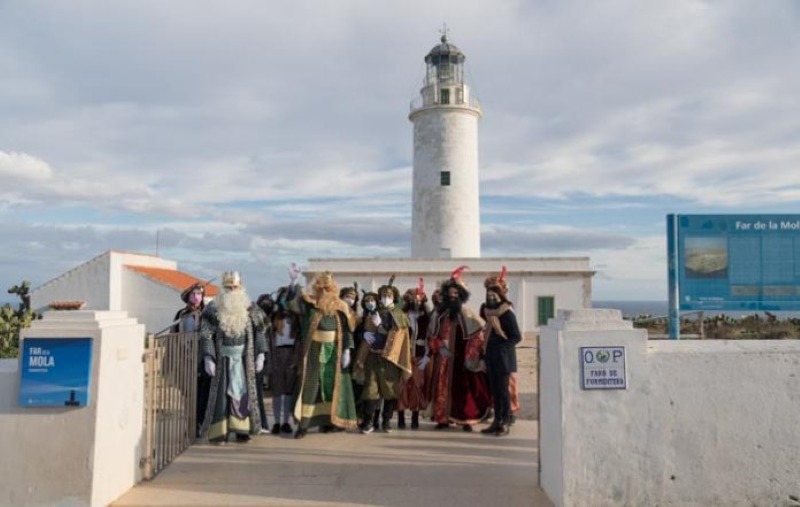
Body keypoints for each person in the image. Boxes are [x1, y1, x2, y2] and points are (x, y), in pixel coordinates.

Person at [286, 267, 358, 438]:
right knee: (311, 386)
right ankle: (304, 425)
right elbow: (292, 305)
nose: (325, 291)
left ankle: (329, 422)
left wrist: (347, 350)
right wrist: (294, 284)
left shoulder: (340, 306)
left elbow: (347, 330)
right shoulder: (309, 304)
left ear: (333, 288)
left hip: (334, 352)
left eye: (328, 288)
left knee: (331, 387)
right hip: (313, 351)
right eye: (321, 288)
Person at [199, 271, 268, 444]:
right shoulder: (213, 308)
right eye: (228, 287)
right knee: (222, 397)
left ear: (240, 288)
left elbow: (261, 330)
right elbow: (206, 334)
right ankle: (220, 432)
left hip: (244, 360)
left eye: (234, 287)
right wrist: (208, 357)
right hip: (222, 359)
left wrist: (260, 355)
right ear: (223, 288)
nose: (231, 291)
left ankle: (242, 431)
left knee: (243, 395)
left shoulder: (251, 307)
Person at [426, 266, 491, 432]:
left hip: (462, 361)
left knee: (464, 390)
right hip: (443, 360)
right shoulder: (439, 314)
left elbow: (478, 336)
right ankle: (443, 419)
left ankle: (466, 420)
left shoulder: (468, 314)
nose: (452, 296)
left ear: (461, 295)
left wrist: (470, 355)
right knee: (442, 390)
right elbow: (431, 335)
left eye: (456, 293)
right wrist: (438, 346)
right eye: (450, 292)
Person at [355, 277, 412, 434]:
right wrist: (364, 336)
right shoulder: (373, 314)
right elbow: (365, 333)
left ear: (394, 297)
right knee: (370, 391)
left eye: (389, 296)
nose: (385, 298)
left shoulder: (400, 315)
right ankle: (368, 422)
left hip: (390, 359)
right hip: (372, 357)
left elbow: (397, 337)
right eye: (383, 296)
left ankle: (386, 421)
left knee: (389, 391)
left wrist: (380, 326)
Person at [479, 267, 522, 436]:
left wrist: (502, 347)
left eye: (494, 296)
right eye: (489, 296)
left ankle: (505, 421)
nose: (491, 299)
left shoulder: (506, 313)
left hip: (504, 360)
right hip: (491, 359)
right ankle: (496, 421)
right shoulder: (489, 314)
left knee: (504, 392)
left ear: (500, 296)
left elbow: (516, 336)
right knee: (495, 392)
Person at [171, 283, 209, 436]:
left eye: (199, 294)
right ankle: (190, 425)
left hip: (202, 359)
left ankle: (200, 424)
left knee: (201, 394)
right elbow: (173, 335)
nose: (196, 297)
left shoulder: (206, 314)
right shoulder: (181, 315)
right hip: (185, 359)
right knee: (187, 395)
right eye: (194, 294)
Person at [396, 279, 431, 429]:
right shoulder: (401, 316)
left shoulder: (427, 317)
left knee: (417, 387)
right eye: (412, 299)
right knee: (402, 387)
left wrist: (427, 355)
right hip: (403, 357)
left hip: (419, 356)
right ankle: (401, 418)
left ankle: (415, 418)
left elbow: (431, 337)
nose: (415, 301)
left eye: (418, 299)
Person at [265, 287, 300, 435]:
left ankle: (286, 421)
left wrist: (296, 359)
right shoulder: (274, 318)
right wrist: (269, 360)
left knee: (288, 392)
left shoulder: (296, 318)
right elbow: (268, 339)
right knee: (277, 391)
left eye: (288, 298)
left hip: (291, 354)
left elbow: (299, 340)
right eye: (283, 298)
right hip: (277, 354)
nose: (285, 301)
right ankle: (277, 422)